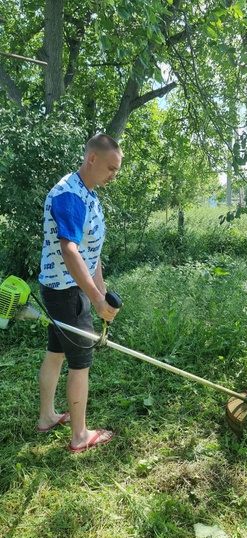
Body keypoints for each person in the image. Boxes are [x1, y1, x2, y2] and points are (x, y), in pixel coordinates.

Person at [37, 133, 123, 453]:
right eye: (111, 168)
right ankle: (79, 436)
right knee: (80, 362)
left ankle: (47, 416)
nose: (114, 175)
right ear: (92, 159)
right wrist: (95, 300)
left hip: (67, 289)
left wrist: (101, 291)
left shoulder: (86, 191)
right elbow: (71, 252)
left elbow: (91, 251)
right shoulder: (69, 195)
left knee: (56, 352)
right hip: (66, 291)